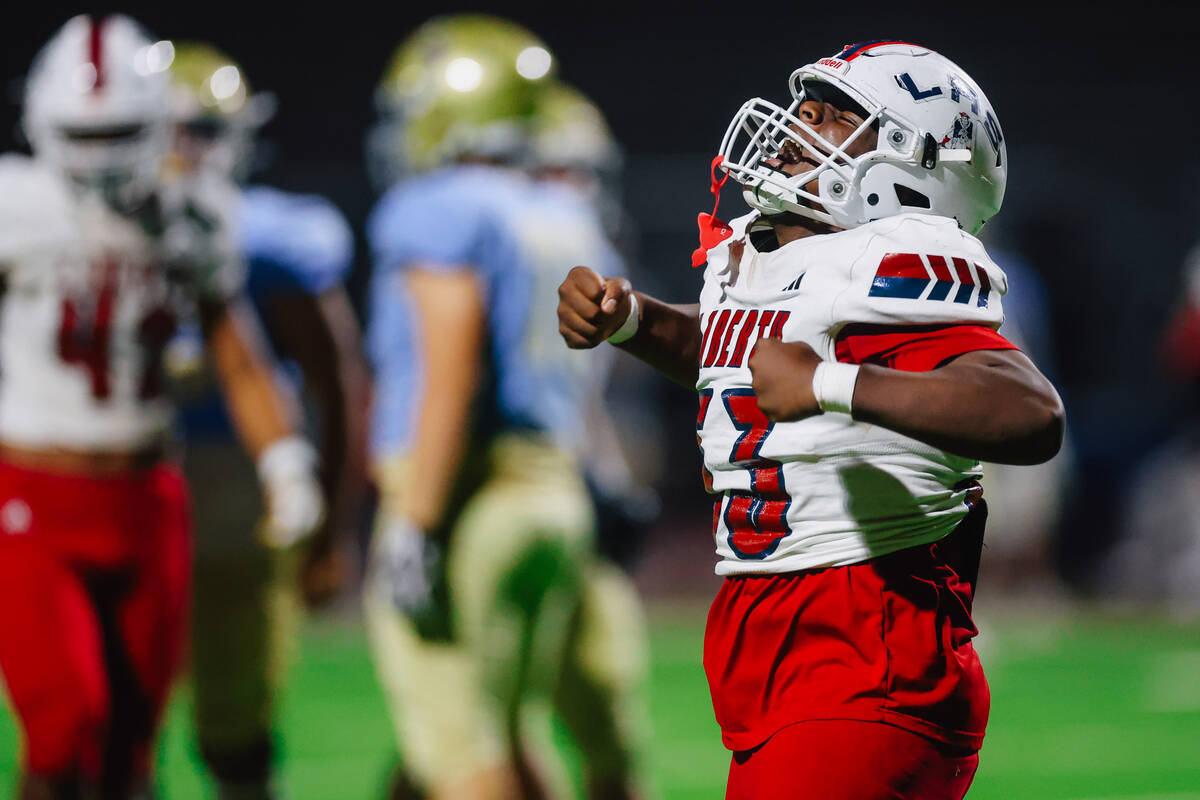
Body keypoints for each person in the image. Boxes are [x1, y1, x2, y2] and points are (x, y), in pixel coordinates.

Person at [557, 41, 1064, 798]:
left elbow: (1027, 408)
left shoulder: (888, 259)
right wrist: (634, 320)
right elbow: (741, 357)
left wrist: (832, 383)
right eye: (808, 107)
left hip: (868, 644)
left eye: (835, 118)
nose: (798, 126)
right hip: (780, 640)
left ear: (913, 169)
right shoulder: (799, 265)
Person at [0, 14, 324, 800]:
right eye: (82, 133)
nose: (100, 158)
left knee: (133, 747)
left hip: (149, 499)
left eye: (119, 135)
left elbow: (236, 352)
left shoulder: (196, 211)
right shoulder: (16, 204)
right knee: (66, 722)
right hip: (36, 494)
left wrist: (286, 463)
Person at [362, 15, 606, 800]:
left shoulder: (440, 206)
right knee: (506, 732)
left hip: (471, 493)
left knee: (460, 753)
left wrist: (416, 520)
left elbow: (451, 368)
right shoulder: (563, 212)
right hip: (554, 489)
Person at [165, 42, 371, 799]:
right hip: (124, 470)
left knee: (236, 729)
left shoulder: (272, 236)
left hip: (238, 482)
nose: (187, 152)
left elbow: (336, 379)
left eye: (203, 131)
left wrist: (332, 528)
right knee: (100, 713)